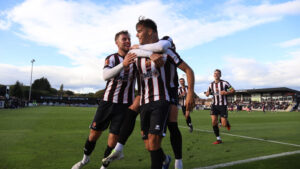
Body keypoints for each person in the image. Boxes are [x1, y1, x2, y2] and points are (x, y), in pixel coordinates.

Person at [103, 18, 195, 169]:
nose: (137, 35)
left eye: (139, 31)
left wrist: (190, 93)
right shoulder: (139, 53)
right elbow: (132, 61)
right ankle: (162, 159)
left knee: (171, 126)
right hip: (146, 95)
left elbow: (184, 66)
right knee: (148, 142)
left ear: (150, 31)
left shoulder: (165, 47)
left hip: (168, 92)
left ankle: (179, 161)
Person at [71, 30, 137, 169]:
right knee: (94, 134)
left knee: (113, 140)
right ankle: (85, 160)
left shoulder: (136, 60)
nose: (127, 41)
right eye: (124, 39)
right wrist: (123, 65)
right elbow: (105, 75)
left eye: (128, 39)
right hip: (107, 103)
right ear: (117, 42)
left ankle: (104, 167)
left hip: (124, 106)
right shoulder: (112, 58)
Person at [205, 69, 235, 144]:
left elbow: (233, 90)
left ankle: (226, 122)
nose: (216, 75)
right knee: (214, 122)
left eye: (218, 73)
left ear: (220, 75)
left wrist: (226, 92)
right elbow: (207, 93)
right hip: (214, 105)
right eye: (215, 73)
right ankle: (218, 139)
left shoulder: (225, 83)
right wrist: (207, 94)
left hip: (222, 105)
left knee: (224, 124)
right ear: (213, 75)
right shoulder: (210, 84)